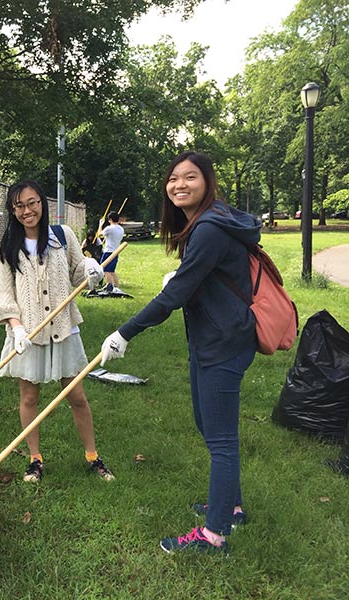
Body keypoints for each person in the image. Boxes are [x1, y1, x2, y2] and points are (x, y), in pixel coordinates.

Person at [99, 151, 260, 553]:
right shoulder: (208, 222)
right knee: (209, 427)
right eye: (173, 178)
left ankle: (215, 535)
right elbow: (203, 279)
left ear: (207, 181)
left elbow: (173, 297)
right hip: (213, 339)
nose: (179, 185)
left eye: (190, 177)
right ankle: (232, 506)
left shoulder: (209, 227)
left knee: (221, 440)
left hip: (224, 343)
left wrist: (124, 332)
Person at [0, 179, 114, 483]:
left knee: (77, 396)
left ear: (42, 203)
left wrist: (92, 271)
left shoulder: (63, 236)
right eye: (19, 205)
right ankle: (35, 459)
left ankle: (92, 456)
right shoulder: (8, 245)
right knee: (29, 398)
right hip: (27, 335)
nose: (26, 210)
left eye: (32, 202)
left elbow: (78, 274)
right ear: (12, 209)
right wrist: (16, 328)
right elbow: (4, 295)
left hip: (64, 329)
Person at [99, 211, 124, 292]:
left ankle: (109, 286)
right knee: (112, 271)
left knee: (105, 270)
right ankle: (116, 287)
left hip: (108, 252)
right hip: (115, 252)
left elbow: (99, 234)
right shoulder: (121, 229)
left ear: (110, 219)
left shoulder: (109, 228)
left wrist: (100, 224)